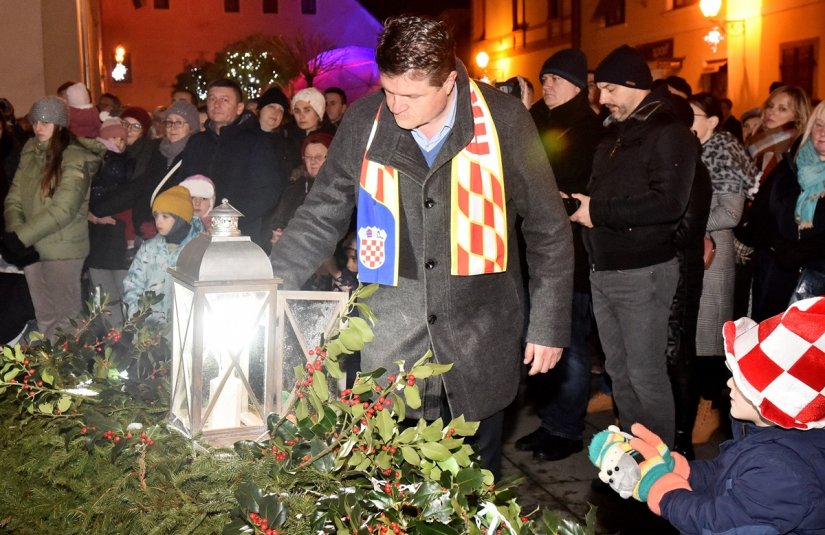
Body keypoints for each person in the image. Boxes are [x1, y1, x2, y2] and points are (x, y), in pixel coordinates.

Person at [270, 15, 573, 479]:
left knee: (472, 488)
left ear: (450, 81)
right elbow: (320, 214)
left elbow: (549, 229)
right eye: (389, 90)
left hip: (478, 339)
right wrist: (272, 282)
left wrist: (548, 324)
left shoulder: (505, 121)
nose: (395, 106)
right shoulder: (363, 121)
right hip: (390, 344)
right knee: (391, 494)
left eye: (410, 96)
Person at [570, 45, 696, 447]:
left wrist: (599, 212)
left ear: (634, 85)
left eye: (608, 89)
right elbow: (608, 197)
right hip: (604, 269)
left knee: (645, 374)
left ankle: (660, 470)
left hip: (642, 273)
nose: (602, 99)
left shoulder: (668, 134)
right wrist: (579, 206)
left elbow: (668, 203)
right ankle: (633, 456)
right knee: (620, 373)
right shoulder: (617, 136)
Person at [617, 297, 825, 534]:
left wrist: (665, 492)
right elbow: (726, 474)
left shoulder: (781, 473)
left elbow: (717, 525)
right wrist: (680, 469)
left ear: (777, 403)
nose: (729, 383)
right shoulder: (765, 436)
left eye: (743, 381)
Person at [518, 48, 604, 462]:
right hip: (537, 251)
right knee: (542, 340)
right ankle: (551, 422)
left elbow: (575, 186)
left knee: (568, 343)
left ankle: (567, 429)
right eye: (543, 78)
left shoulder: (590, 130)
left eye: (552, 79)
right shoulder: (540, 120)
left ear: (574, 84)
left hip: (572, 254)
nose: (545, 84)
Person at [2, 97, 104, 339]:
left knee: (66, 318)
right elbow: (14, 197)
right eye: (36, 121)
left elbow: (64, 209)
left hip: (63, 250)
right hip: (32, 249)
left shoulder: (77, 157)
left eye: (46, 122)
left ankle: (72, 373)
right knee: (44, 315)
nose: (39, 127)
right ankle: (53, 373)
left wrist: (21, 237)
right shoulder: (29, 151)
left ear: (60, 124)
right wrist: (16, 235)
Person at [688, 93, 756, 433]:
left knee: (711, 338)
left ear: (713, 121)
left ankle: (710, 409)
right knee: (695, 335)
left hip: (714, 253)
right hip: (696, 248)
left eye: (693, 114)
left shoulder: (723, 152)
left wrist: (687, 221)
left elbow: (730, 212)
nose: (686, 119)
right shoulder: (695, 148)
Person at [178, 78, 285, 249]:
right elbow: (183, 185)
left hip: (239, 236)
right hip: (197, 234)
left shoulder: (256, 142)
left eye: (225, 100)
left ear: (240, 108)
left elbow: (268, 191)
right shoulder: (196, 142)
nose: (217, 104)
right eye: (212, 99)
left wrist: (228, 220)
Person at [747, 100, 825, 321]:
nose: (822, 133)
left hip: (819, 286)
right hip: (775, 277)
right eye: (818, 124)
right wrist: (778, 246)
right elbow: (758, 215)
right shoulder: (790, 165)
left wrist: (804, 251)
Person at [122, 185, 202, 327]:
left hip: (185, 331)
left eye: (165, 216)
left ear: (181, 218)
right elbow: (132, 284)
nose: (158, 221)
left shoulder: (199, 249)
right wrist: (136, 318)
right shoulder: (149, 248)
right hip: (148, 331)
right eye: (156, 215)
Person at [86, 117, 135, 325]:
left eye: (122, 139)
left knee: (122, 290)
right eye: (114, 138)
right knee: (105, 292)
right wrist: (91, 214)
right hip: (100, 235)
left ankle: (123, 337)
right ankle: (113, 336)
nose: (119, 143)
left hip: (117, 232)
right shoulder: (96, 160)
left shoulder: (128, 162)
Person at [269, 131, 333, 247]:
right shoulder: (295, 187)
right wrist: (277, 232)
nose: (313, 161)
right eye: (308, 156)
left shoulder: (339, 189)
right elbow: (278, 219)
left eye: (318, 157)